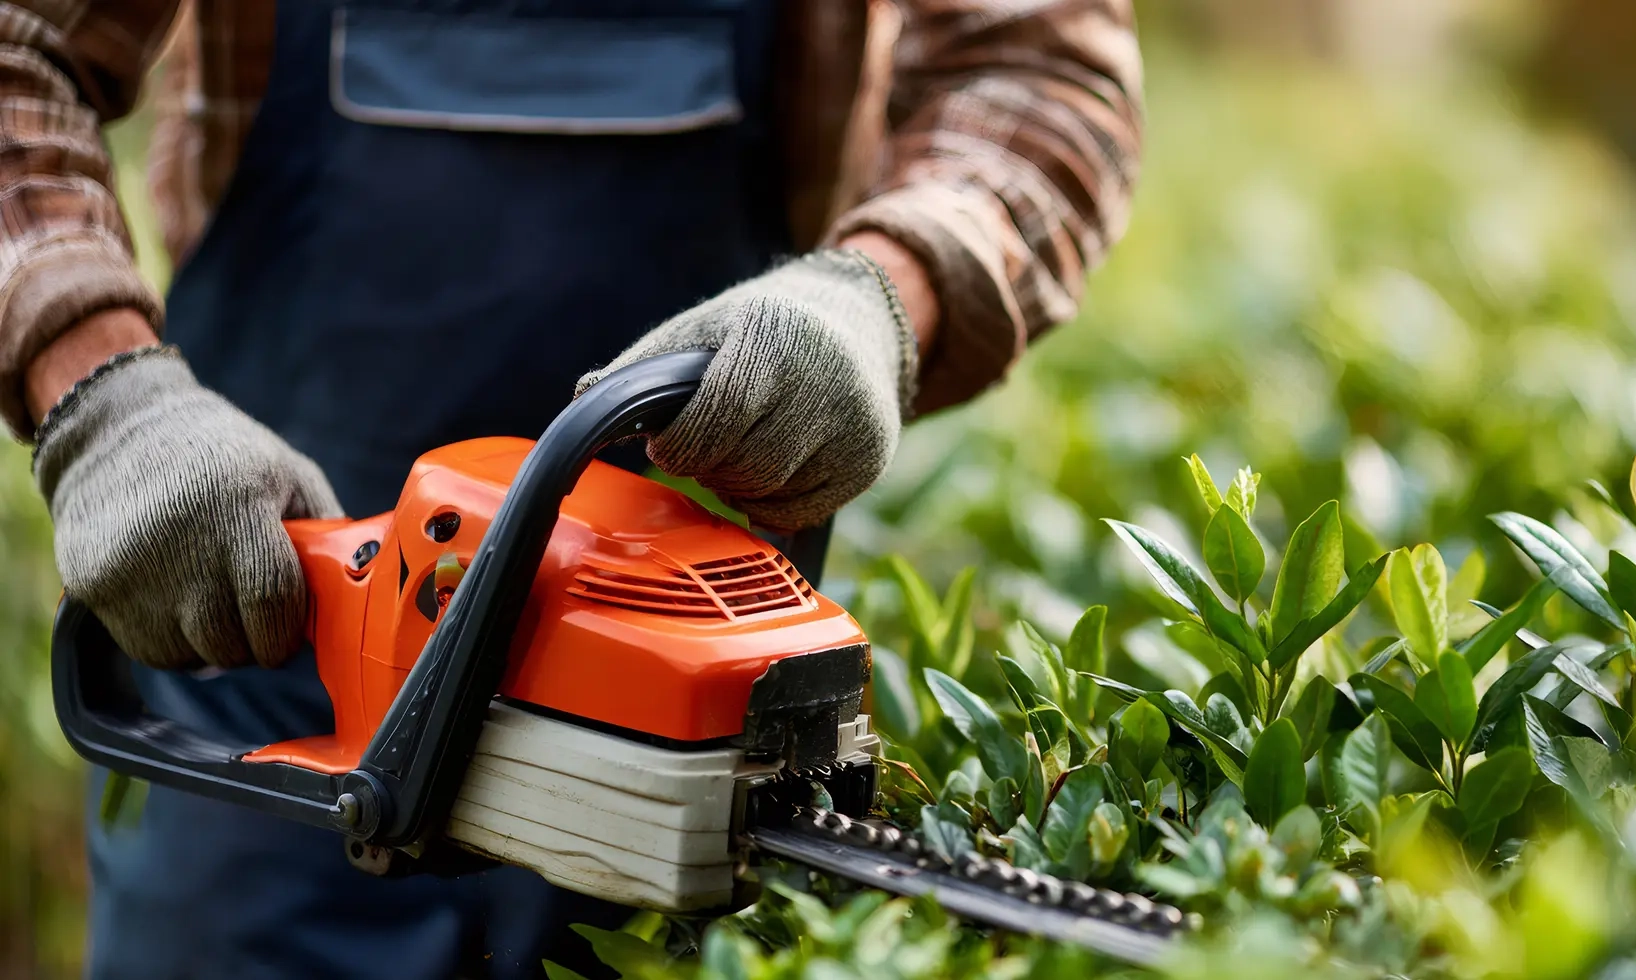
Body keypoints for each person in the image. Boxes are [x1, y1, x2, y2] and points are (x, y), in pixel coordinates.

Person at [1, 0, 1141, 976]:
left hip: (673, 732)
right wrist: (98, 390)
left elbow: (1042, 76)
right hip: (267, 650)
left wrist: (885, 293)